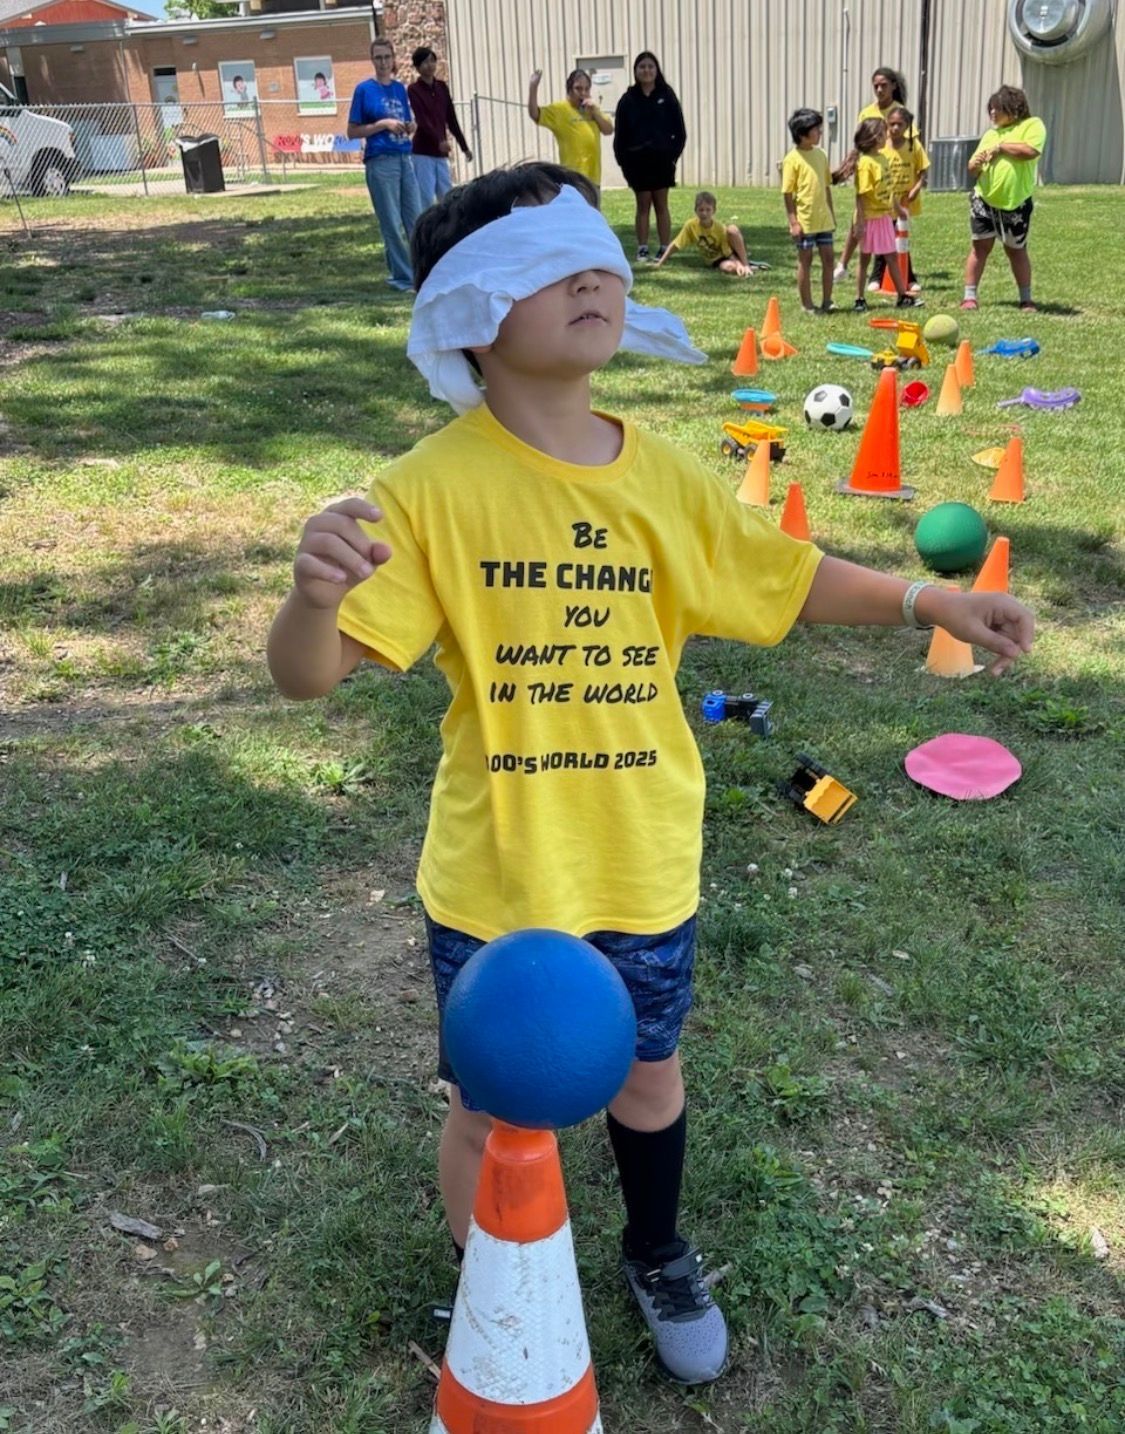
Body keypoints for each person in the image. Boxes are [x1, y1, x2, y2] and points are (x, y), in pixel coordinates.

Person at [267, 159, 1034, 1386]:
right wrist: (309, 603)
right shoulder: (425, 493)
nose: (588, 273)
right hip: (496, 870)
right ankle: (498, 1277)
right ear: (472, 308)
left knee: (648, 1073)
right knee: (486, 1099)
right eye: (541, 261)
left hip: (641, 852)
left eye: (595, 252)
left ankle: (659, 1246)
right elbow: (310, 677)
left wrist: (922, 597)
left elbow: (781, 580)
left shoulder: (667, 473)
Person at [347, 38, 422, 293]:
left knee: (415, 218)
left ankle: (420, 272)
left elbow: (407, 120)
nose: (383, 63)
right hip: (380, 160)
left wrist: (410, 127)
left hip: (404, 158)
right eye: (378, 58)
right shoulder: (364, 90)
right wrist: (382, 125)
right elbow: (352, 131)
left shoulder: (400, 89)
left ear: (393, 59)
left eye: (386, 57)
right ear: (372, 60)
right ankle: (403, 277)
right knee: (391, 221)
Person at [961, 86, 1045, 313]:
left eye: (997, 108)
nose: (992, 113)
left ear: (1014, 108)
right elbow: (972, 168)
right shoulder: (990, 134)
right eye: (990, 109)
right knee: (979, 247)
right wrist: (974, 164)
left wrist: (1001, 148)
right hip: (984, 200)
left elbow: (1030, 151)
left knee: (1016, 250)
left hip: (1015, 204)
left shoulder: (1032, 125)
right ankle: (969, 297)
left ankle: (1026, 299)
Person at [834, 65, 909, 282]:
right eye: (875, 85)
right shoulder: (867, 112)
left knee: (889, 225)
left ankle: (884, 276)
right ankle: (844, 265)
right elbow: (860, 141)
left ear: (893, 86)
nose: (879, 89)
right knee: (859, 221)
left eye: (883, 85)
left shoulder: (898, 111)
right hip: (870, 170)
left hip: (889, 170)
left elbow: (908, 141)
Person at [612, 50, 686, 263]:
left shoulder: (667, 95)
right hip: (637, 163)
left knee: (661, 204)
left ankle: (664, 247)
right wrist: (624, 162)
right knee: (643, 205)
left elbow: (680, 131)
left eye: (650, 66)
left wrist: (672, 156)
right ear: (636, 71)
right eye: (642, 67)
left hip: (662, 162)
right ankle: (642, 248)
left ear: (656, 70)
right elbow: (620, 136)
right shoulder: (627, 100)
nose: (646, 70)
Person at [852, 118, 921, 311]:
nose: (887, 136)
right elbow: (861, 195)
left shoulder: (882, 158)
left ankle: (902, 296)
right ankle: (859, 298)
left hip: (884, 217)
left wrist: (897, 209)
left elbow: (889, 189)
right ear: (874, 138)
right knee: (864, 259)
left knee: (891, 256)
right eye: (883, 133)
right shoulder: (866, 163)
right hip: (869, 219)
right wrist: (859, 222)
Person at [527, 67, 613, 199]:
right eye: (578, 88)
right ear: (569, 89)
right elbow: (535, 114)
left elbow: (609, 130)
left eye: (586, 89)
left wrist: (595, 112)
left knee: (592, 217)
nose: (583, 93)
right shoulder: (559, 110)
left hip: (593, 178)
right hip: (572, 179)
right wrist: (533, 87)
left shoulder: (592, 109)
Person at [782, 108, 836, 314]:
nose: (820, 133)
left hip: (824, 221)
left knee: (829, 258)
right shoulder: (792, 159)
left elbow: (826, 187)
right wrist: (793, 222)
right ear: (803, 134)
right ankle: (807, 304)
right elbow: (788, 194)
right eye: (816, 130)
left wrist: (831, 213)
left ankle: (828, 300)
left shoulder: (821, 155)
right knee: (805, 260)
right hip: (805, 221)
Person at [869, 103, 927, 293]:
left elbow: (923, 171)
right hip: (885, 202)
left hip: (904, 203)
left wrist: (916, 189)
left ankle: (908, 278)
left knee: (901, 241)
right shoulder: (882, 146)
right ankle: (876, 277)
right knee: (883, 239)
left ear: (907, 126)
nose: (894, 128)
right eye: (891, 124)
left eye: (899, 124)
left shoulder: (913, 146)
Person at [407, 45, 473, 209]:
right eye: (424, 62)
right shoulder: (414, 90)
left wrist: (464, 147)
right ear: (417, 67)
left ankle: (447, 229)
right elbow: (422, 119)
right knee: (426, 198)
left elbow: (451, 119)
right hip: (423, 152)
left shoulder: (442, 87)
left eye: (432, 61)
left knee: (447, 197)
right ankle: (425, 231)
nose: (429, 66)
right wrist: (438, 140)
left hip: (440, 153)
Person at [653, 191, 754, 277]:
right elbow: (675, 245)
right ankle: (745, 264)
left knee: (732, 229)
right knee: (729, 268)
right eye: (701, 210)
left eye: (708, 210)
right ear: (695, 211)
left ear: (714, 211)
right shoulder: (691, 226)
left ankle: (745, 264)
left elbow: (728, 252)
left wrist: (739, 263)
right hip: (716, 259)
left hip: (729, 253)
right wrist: (660, 263)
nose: (704, 213)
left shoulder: (719, 228)